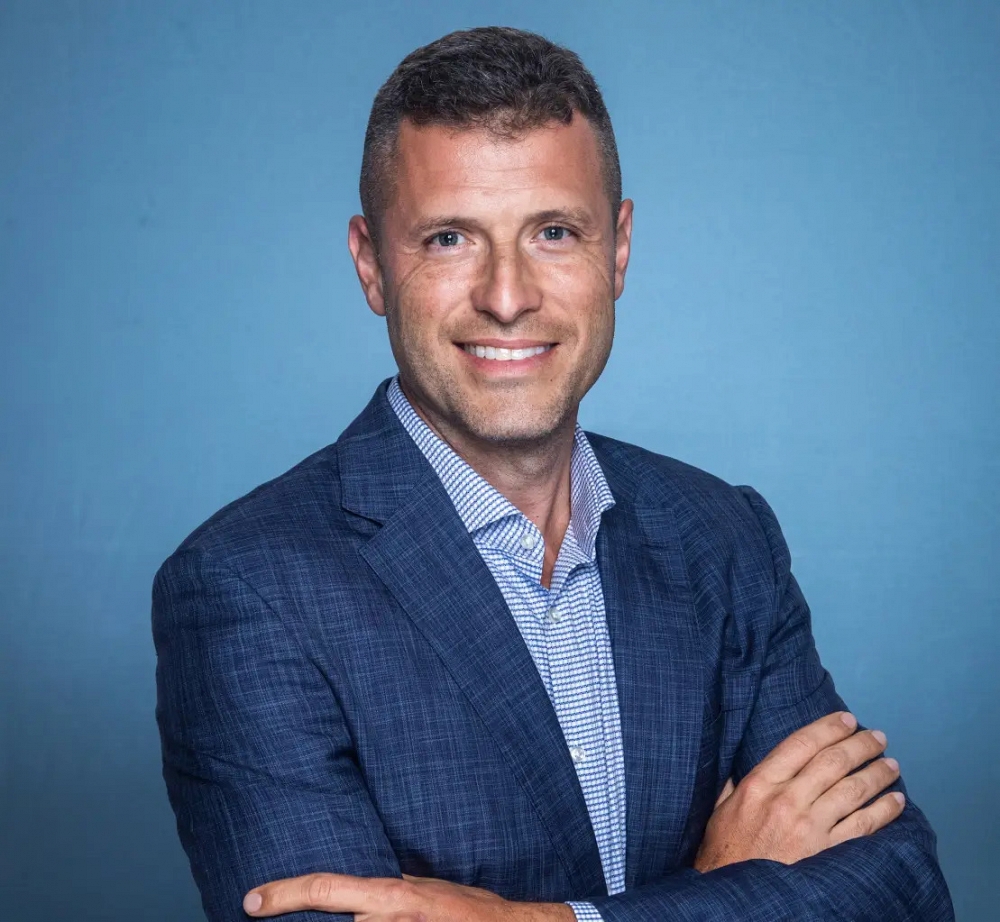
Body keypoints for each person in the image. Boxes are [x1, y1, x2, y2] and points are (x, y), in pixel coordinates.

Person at [153, 26, 953, 922]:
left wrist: (545, 921)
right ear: (371, 265)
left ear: (618, 250)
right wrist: (724, 890)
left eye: (554, 232)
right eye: (449, 238)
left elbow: (902, 891)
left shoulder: (723, 537)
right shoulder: (247, 588)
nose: (507, 296)